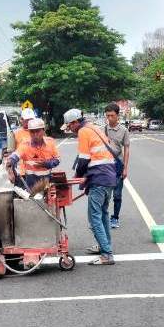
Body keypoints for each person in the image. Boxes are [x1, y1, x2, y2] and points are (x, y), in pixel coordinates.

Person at [61, 108, 117, 265]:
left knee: (94, 217)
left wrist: (79, 176)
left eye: (69, 126)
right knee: (103, 214)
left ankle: (106, 255)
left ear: (74, 122)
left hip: (99, 177)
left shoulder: (83, 131)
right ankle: (105, 246)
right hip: (109, 176)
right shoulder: (94, 127)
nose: (70, 129)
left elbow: (84, 159)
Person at [5, 118, 60, 190]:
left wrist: (46, 164)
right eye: (32, 132)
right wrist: (10, 168)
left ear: (43, 131)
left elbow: (57, 159)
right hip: (31, 184)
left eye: (37, 131)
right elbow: (14, 156)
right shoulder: (25, 145)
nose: (35, 134)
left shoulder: (50, 142)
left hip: (47, 182)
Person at [102, 103, 130, 229]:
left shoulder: (124, 130)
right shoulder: (104, 130)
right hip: (105, 166)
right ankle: (104, 217)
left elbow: (127, 149)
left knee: (117, 195)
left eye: (112, 115)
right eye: (108, 116)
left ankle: (115, 218)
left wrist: (125, 168)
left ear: (117, 116)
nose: (110, 118)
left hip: (118, 166)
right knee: (105, 194)